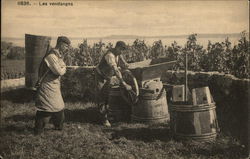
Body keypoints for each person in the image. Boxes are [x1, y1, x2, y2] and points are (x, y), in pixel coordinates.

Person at [34, 36, 71, 135]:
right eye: (66, 46)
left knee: (59, 106)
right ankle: (38, 131)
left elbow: (62, 66)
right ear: (61, 44)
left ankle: (58, 127)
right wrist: (63, 69)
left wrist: (63, 67)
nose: (67, 48)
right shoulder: (51, 56)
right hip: (47, 86)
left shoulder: (58, 55)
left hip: (54, 85)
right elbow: (59, 71)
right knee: (46, 108)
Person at [95, 41, 132, 127]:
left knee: (108, 95)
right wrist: (124, 83)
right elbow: (115, 70)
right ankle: (104, 119)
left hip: (108, 75)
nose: (122, 52)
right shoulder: (110, 56)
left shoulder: (117, 52)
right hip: (101, 76)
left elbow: (120, 56)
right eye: (121, 50)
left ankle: (107, 114)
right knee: (102, 96)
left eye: (123, 51)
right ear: (117, 48)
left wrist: (125, 63)